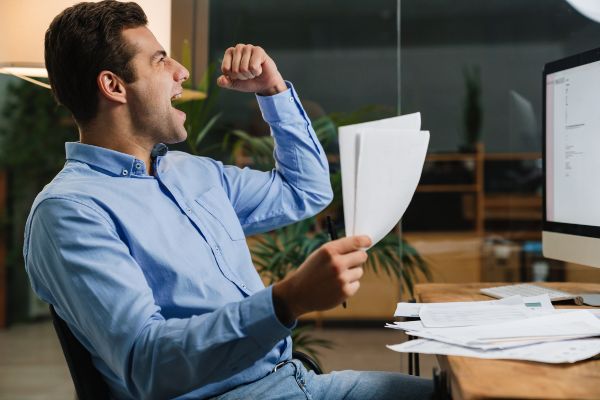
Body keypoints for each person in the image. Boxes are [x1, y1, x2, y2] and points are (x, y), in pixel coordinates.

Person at [24, 1, 433, 399]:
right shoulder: (69, 211)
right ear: (113, 86)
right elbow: (146, 362)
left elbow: (306, 191)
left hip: (295, 382)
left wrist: (272, 91)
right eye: (160, 60)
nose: (181, 72)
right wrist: (285, 300)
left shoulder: (191, 172)